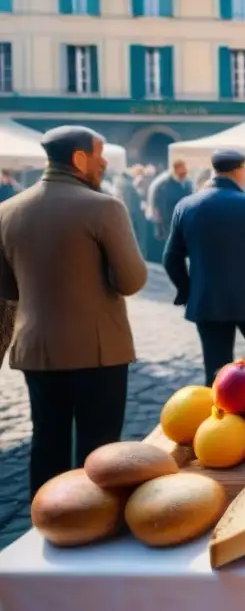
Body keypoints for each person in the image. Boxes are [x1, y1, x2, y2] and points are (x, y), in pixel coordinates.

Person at [0, 126, 147, 497]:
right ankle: (93, 526)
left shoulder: (7, 210)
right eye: (99, 154)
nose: (105, 162)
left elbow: (6, 288)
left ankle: (43, 525)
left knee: (46, 442)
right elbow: (131, 280)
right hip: (98, 352)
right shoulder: (104, 207)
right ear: (79, 159)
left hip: (37, 350)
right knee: (99, 450)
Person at [163, 150, 245, 386]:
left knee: (217, 375)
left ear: (214, 171)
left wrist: (187, 291)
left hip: (208, 302)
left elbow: (170, 258)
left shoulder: (187, 206)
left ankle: (218, 421)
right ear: (240, 170)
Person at [147, 159, 192, 262]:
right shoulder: (163, 185)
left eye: (184, 173)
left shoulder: (187, 183)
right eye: (181, 173)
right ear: (175, 171)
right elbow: (160, 205)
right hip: (168, 220)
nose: (183, 176)